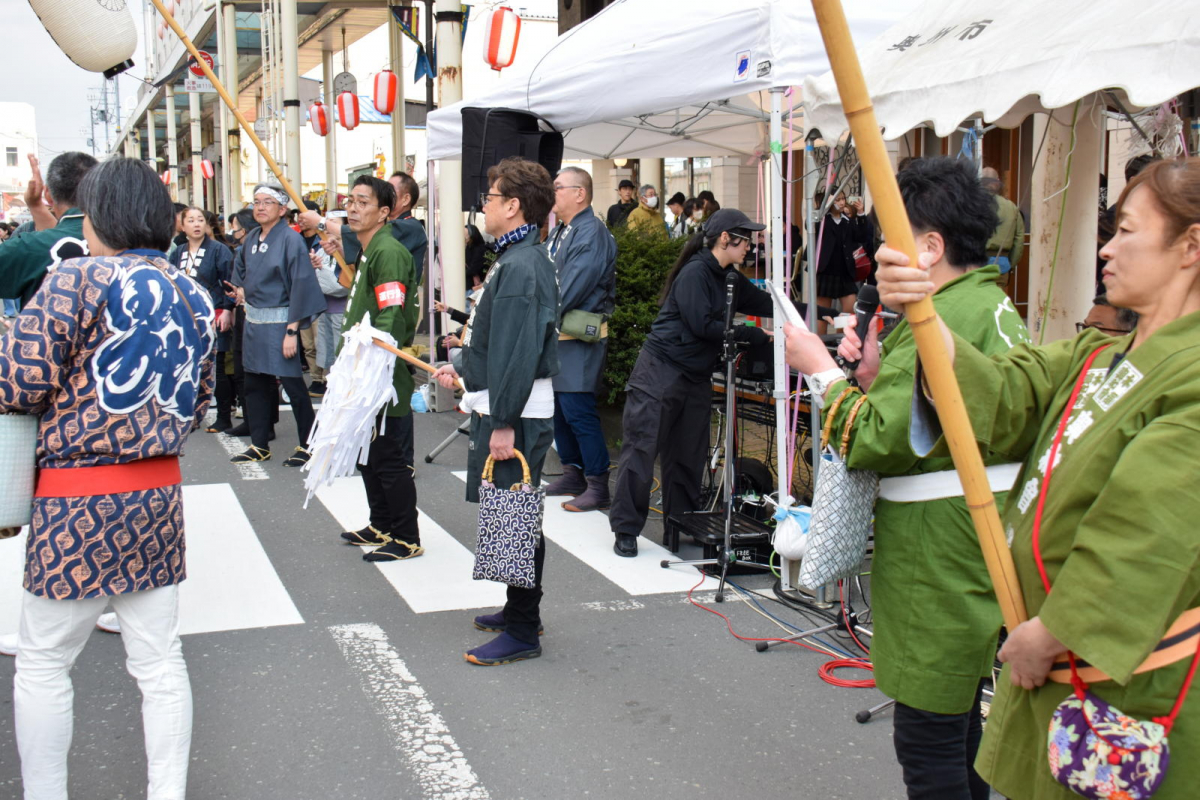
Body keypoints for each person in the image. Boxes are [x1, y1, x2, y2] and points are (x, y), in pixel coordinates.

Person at [859, 157, 1200, 800]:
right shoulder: (1100, 353)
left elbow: (1147, 533)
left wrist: (1051, 631)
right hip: (1053, 652)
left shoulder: (1190, 376)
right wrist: (924, 312)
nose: (1107, 247)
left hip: (1124, 667)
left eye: (1127, 230)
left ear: (1190, 246)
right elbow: (1010, 389)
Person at [783, 157, 1033, 800]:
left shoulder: (936, 320)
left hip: (937, 542)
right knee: (960, 731)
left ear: (930, 245)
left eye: (890, 242)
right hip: (978, 530)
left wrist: (820, 370)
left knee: (928, 740)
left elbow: (879, 439)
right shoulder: (990, 302)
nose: (878, 257)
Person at [3, 156, 214, 800]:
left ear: (99, 217)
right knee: (158, 662)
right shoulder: (194, 293)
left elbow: (20, 382)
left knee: (43, 662)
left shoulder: (74, 280)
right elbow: (199, 403)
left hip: (76, 501)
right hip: (156, 498)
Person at [432, 157, 559, 666]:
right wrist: (466, 373)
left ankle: (524, 628)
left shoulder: (523, 263)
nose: (483, 205)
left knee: (513, 513)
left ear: (513, 205)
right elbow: (497, 344)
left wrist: (503, 419)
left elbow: (517, 350)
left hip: (518, 412)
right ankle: (519, 610)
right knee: (513, 512)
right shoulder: (518, 257)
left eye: (490, 197)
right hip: (510, 405)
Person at [608, 209, 776, 558]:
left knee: (688, 455)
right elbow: (703, 325)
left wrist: (815, 312)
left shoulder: (728, 277)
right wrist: (755, 334)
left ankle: (680, 522)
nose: (751, 246)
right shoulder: (695, 273)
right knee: (642, 450)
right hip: (660, 372)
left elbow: (765, 302)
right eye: (747, 239)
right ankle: (626, 528)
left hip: (696, 376)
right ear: (726, 239)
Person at [334, 176, 423, 562]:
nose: (353, 208)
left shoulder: (388, 251)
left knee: (388, 458)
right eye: (350, 201)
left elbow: (390, 315)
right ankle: (381, 523)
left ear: (385, 212)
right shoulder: (370, 248)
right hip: (363, 368)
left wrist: (372, 368)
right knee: (367, 454)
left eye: (363, 202)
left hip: (381, 371)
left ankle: (405, 537)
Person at [229, 184, 326, 465]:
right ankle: (259, 444)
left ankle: (309, 444)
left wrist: (292, 332)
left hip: (283, 323)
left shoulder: (290, 240)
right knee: (255, 384)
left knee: (293, 386)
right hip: (255, 323)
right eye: (256, 202)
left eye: (268, 202)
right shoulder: (250, 240)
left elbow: (300, 285)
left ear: (282, 210)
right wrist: (240, 290)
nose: (260, 207)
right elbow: (242, 275)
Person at [542, 166, 618, 512]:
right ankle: (573, 472)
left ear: (580, 193)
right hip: (561, 334)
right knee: (559, 406)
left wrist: (538, 312)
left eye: (558, 187)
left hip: (578, 333)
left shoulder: (591, 232)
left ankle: (598, 483)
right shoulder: (563, 231)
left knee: (577, 407)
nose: (552, 193)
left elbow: (570, 288)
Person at [170, 206, 237, 433]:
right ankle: (189, 413)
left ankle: (224, 415)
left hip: (214, 313)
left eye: (200, 220)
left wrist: (228, 309)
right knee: (188, 366)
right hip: (186, 316)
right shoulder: (178, 252)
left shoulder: (219, 250)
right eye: (191, 220)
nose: (196, 224)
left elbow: (230, 284)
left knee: (216, 366)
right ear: (183, 226)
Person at [0, 151, 95, 308]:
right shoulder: (130, 240)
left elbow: (53, 241)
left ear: (48, 195)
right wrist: (36, 206)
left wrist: (36, 204)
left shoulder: (27, 247)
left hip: (43, 331)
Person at [812, 191, 874, 331]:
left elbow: (861, 236)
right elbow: (809, 226)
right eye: (837, 199)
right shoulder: (821, 219)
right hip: (826, 271)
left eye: (842, 199)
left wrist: (860, 213)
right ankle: (822, 345)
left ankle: (841, 342)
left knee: (849, 309)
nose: (841, 202)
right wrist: (821, 208)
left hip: (845, 271)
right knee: (823, 312)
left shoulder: (847, 220)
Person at [297, 200, 329, 397]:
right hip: (301, 297)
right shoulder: (294, 240)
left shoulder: (325, 239)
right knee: (307, 343)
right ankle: (316, 379)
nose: (301, 220)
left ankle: (326, 378)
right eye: (298, 217)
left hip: (322, 297)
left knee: (321, 341)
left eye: (304, 216)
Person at [980, 167, 1025, 279]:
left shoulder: (971, 205)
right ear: (997, 183)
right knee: (999, 296)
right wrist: (1010, 264)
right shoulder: (1012, 207)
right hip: (1002, 264)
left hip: (976, 265)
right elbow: (1019, 240)